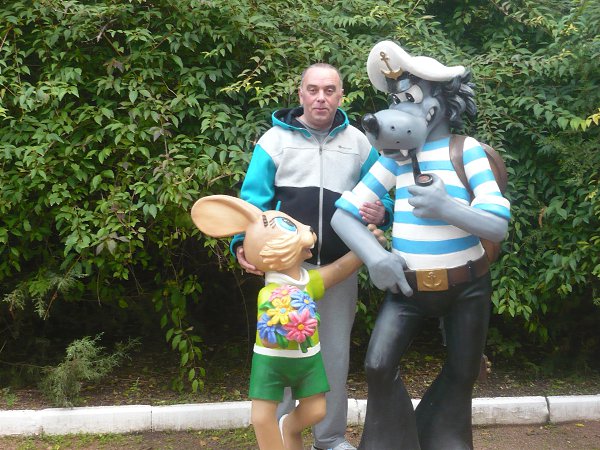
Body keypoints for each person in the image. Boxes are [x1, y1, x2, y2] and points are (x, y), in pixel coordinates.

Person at [230, 63, 394, 450]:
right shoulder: (274, 141)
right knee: (283, 350)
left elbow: (383, 195)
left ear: (341, 96)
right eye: (313, 89)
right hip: (285, 272)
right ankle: (281, 434)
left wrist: (382, 212)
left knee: (334, 355)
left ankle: (330, 437)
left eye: (329, 90)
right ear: (301, 94)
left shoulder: (359, 143)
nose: (321, 97)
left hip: (339, 270)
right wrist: (240, 242)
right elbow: (253, 203)